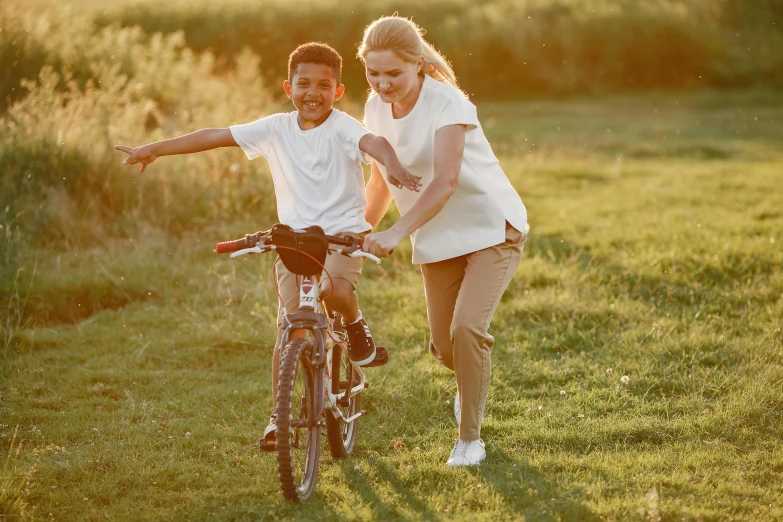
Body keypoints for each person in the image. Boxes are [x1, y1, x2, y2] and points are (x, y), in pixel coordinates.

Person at [115, 42, 419, 451]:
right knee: (290, 329)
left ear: (338, 91)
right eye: (304, 84)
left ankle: (354, 325)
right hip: (294, 242)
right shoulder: (275, 128)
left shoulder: (343, 127)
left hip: (342, 236)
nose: (313, 93)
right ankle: (279, 417)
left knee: (337, 291)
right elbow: (216, 136)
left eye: (324, 85)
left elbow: (374, 145)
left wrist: (393, 165)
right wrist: (155, 148)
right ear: (287, 87)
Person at [358, 16, 528, 467]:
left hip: (491, 226)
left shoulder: (447, 103)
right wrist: (357, 232)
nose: (382, 83)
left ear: (417, 64)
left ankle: (469, 440)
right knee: (446, 347)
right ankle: (471, 382)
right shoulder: (375, 108)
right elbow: (378, 181)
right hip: (438, 237)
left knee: (467, 330)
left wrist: (396, 232)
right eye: (373, 73)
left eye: (393, 73)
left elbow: (445, 182)